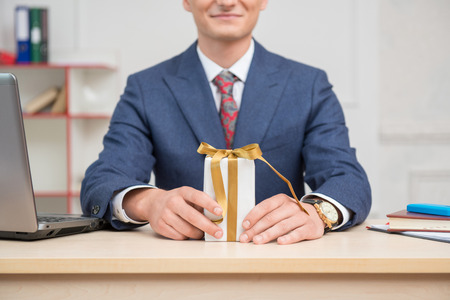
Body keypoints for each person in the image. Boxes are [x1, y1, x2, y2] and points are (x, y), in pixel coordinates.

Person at [81, 0, 371, 245]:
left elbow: (348, 179)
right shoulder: (146, 87)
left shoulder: (308, 85)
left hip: (280, 262)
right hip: (181, 266)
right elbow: (103, 180)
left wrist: (317, 212)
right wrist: (148, 202)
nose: (227, 1)